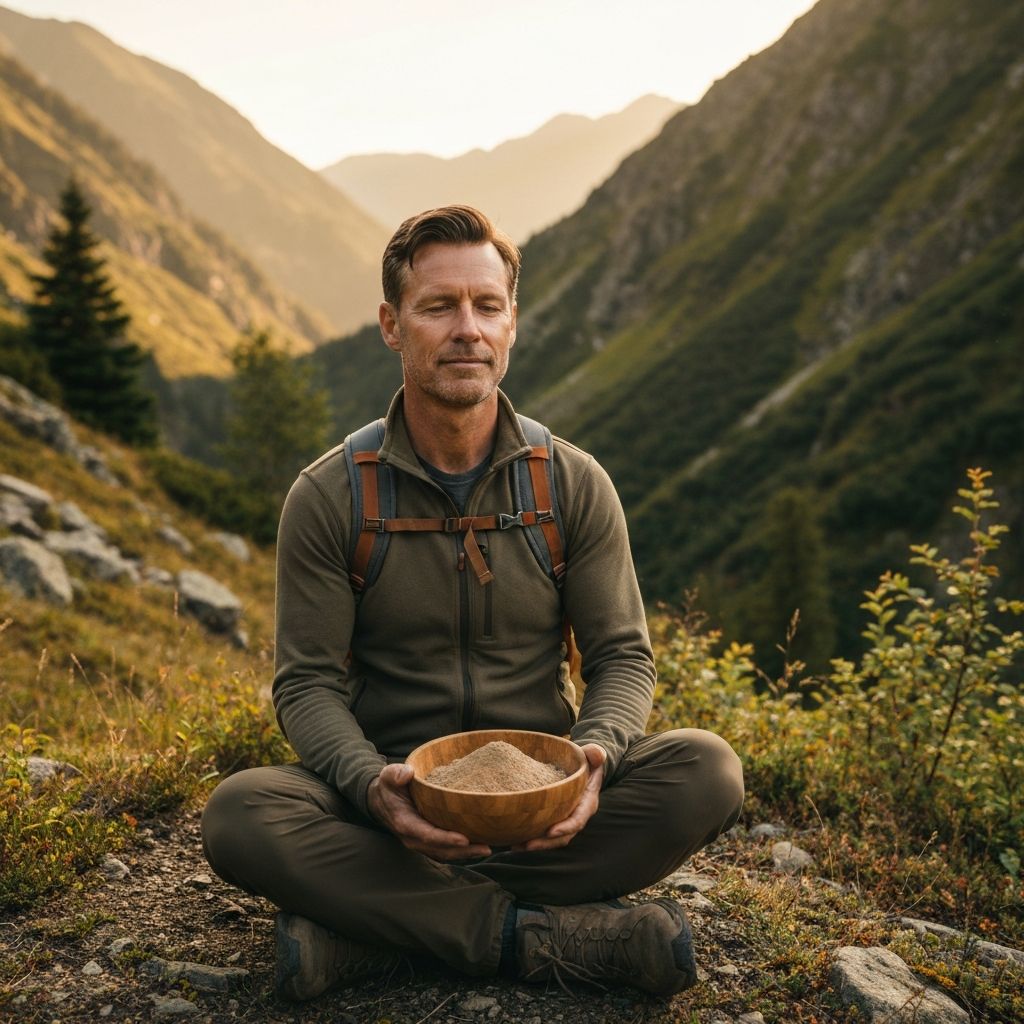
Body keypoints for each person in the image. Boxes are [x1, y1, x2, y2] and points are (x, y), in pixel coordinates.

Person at [201, 205, 744, 1001]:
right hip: (389, 817)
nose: (467, 329)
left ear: (512, 323)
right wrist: (369, 786)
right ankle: (538, 937)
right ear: (392, 324)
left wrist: (594, 762)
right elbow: (306, 684)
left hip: (545, 813)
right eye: (438, 306)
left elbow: (623, 656)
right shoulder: (330, 495)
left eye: (486, 306)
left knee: (707, 769)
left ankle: (377, 937)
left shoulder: (570, 483)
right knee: (242, 814)